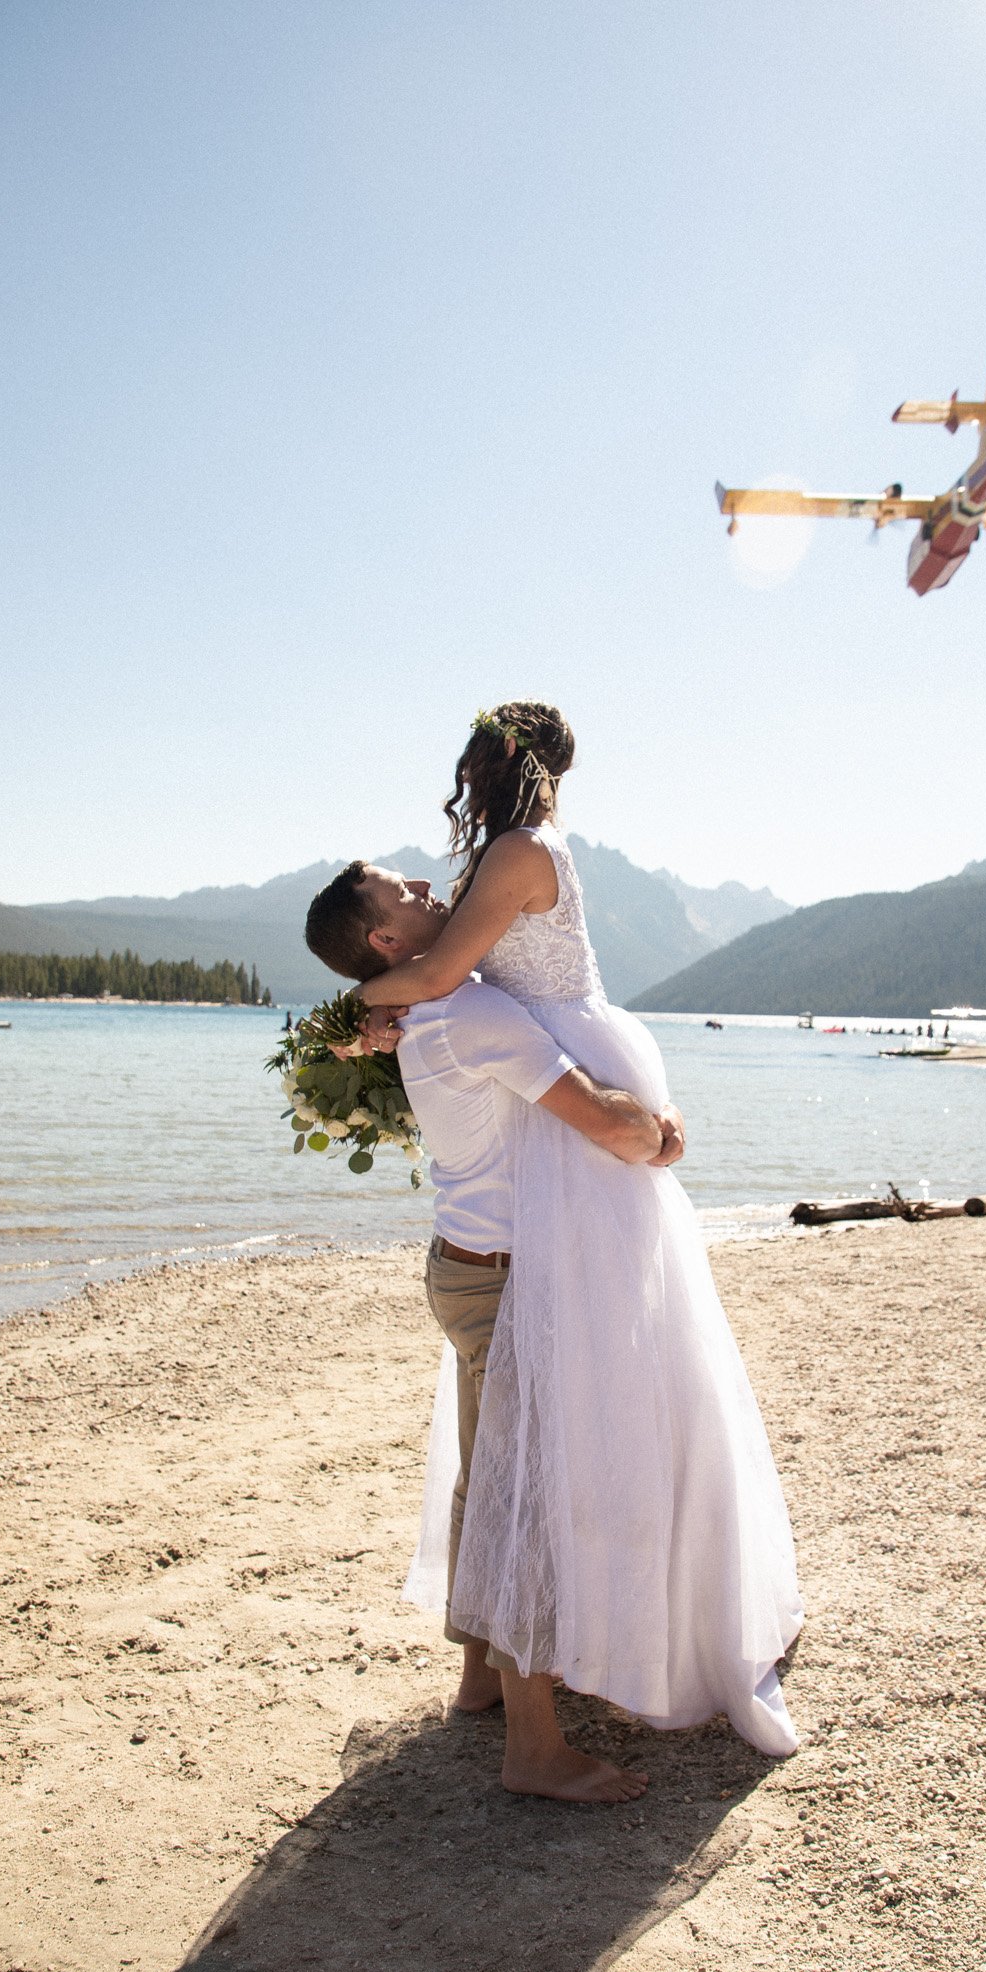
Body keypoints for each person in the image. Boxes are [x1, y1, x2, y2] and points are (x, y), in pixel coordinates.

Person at [339, 700, 802, 1776]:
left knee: (523, 1436)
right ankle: (512, 1686)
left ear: (495, 765)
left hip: (568, 1093)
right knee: (535, 1436)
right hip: (566, 1093)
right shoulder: (510, 856)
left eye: (471, 761)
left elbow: (441, 974)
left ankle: (504, 1673)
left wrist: (361, 1005)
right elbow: (446, 975)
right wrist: (381, 1007)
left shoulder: (519, 851)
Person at [308, 865, 687, 1801]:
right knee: (532, 1496)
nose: (428, 883)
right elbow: (603, 1122)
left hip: (466, 1268)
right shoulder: (470, 1010)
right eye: (402, 890)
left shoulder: (430, 1011)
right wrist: (664, 1135)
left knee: (489, 1475)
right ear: (388, 943)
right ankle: (534, 1750)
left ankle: (480, 1673)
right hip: (509, 1284)